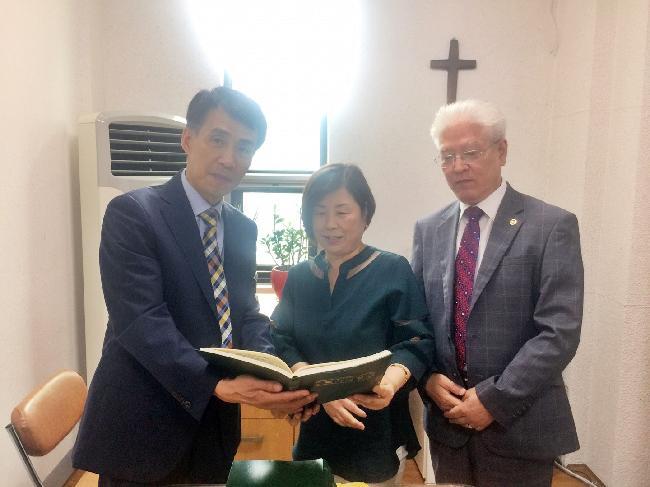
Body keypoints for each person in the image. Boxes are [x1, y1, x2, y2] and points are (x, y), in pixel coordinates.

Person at [72, 86, 317, 486]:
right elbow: (141, 322)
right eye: (218, 139)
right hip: (143, 422)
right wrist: (215, 383)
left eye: (244, 147)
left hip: (213, 425)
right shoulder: (133, 213)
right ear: (188, 139)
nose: (229, 158)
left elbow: (245, 312)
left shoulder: (242, 228)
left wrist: (275, 374)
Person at [412, 99, 583, 487]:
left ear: (501, 151)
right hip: (448, 425)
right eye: (447, 156)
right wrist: (428, 378)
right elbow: (416, 321)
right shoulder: (428, 229)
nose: (458, 166)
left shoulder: (551, 226)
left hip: (520, 426)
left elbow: (558, 332)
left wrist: (493, 399)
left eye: (471, 152)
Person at [271, 163, 434, 486]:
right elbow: (280, 336)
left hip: (374, 427)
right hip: (314, 427)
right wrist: (318, 386)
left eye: (342, 211)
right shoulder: (301, 277)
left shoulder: (392, 270)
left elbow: (416, 341)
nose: (330, 224)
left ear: (365, 213)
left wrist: (388, 384)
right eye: (319, 212)